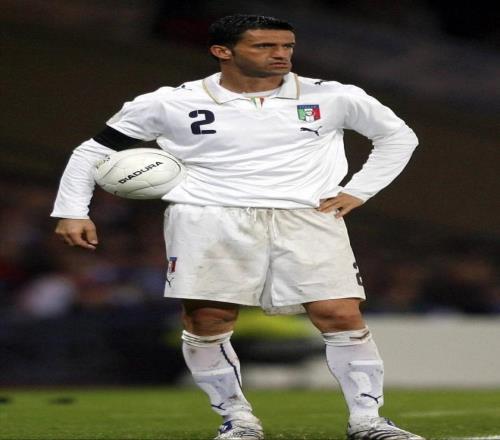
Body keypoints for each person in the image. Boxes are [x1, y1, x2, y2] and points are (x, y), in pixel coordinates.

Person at [51, 14, 423, 440]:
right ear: (222, 52)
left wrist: (360, 190)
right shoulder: (169, 102)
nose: (280, 54)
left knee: (339, 313)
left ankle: (368, 421)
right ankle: (237, 419)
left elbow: (399, 137)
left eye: (286, 46)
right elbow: (91, 151)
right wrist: (73, 210)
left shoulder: (334, 96)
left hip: (305, 215)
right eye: (265, 46)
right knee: (208, 319)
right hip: (208, 216)